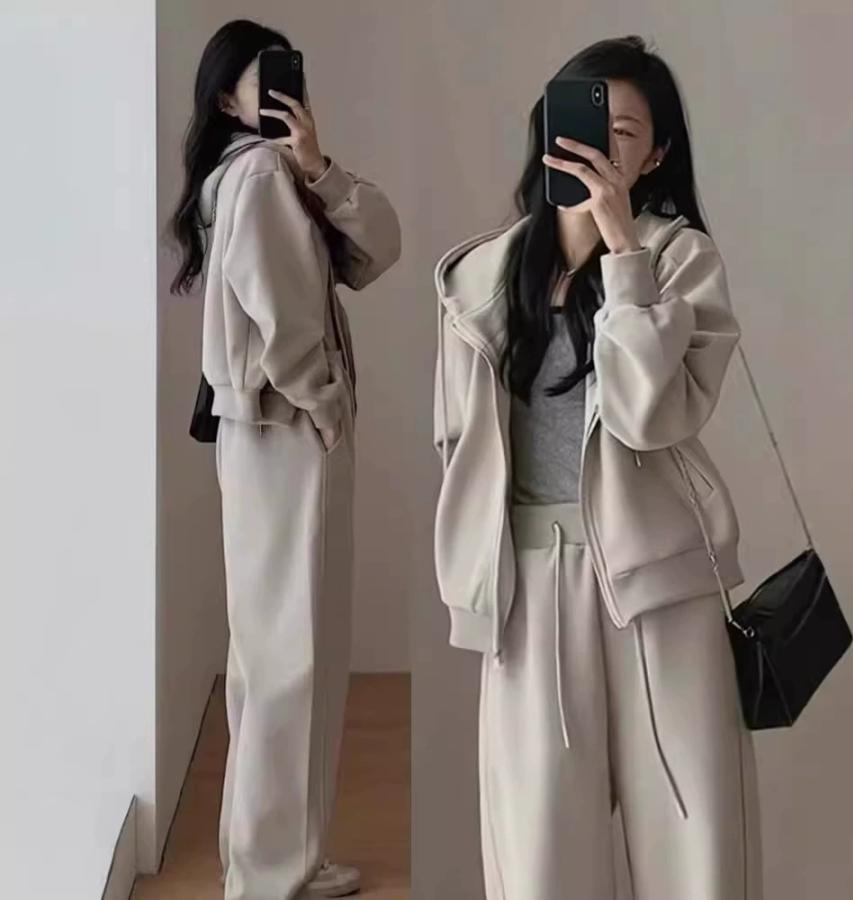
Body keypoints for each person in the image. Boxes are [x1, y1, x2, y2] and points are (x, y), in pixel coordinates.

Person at [432, 35, 762, 900]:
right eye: (585, 123)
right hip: (527, 584)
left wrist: (624, 257)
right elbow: (458, 443)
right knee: (541, 859)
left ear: (654, 155)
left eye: (624, 133)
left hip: (659, 584)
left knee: (692, 852)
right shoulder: (478, 277)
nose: (601, 148)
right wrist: (469, 580)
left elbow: (651, 415)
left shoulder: (680, 262)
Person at [169, 19, 401, 900]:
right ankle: (274, 874)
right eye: (261, 76)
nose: (281, 89)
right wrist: (327, 405)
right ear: (227, 97)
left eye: (286, 74)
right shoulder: (262, 174)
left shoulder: (267, 171)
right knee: (292, 654)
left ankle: (264, 859)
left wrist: (320, 166)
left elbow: (379, 248)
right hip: (288, 429)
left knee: (269, 651)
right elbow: (286, 316)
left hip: (261, 433)